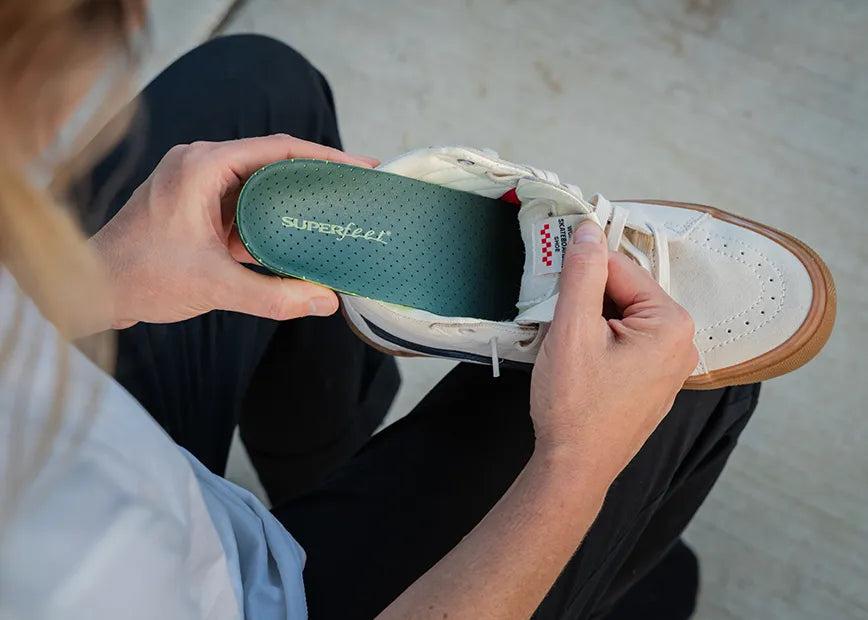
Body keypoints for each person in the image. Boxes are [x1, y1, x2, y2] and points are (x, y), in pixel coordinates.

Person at [0, 3, 761, 618]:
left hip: (89, 437)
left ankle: (331, 466)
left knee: (256, 83)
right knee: (685, 372)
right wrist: (575, 469)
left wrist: (89, 283)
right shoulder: (63, 570)